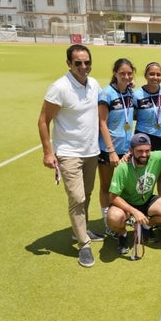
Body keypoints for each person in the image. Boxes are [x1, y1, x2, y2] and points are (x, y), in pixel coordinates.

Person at [37, 44, 104, 268]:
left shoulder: (93, 84)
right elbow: (43, 120)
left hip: (91, 150)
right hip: (68, 153)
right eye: (78, 63)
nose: (83, 67)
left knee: (87, 193)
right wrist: (48, 152)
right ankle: (84, 244)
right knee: (77, 198)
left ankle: (79, 231)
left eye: (87, 62)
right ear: (69, 63)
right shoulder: (60, 88)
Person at [107, 134, 161, 254]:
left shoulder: (156, 157)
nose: (144, 155)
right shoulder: (123, 166)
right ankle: (122, 235)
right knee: (113, 217)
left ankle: (146, 226)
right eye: (139, 151)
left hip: (146, 200)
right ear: (131, 150)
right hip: (127, 203)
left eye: (147, 150)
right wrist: (134, 212)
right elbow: (113, 197)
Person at [97, 58, 136, 238]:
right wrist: (111, 150)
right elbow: (102, 123)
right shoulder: (107, 94)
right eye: (122, 73)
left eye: (129, 73)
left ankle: (123, 215)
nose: (126, 76)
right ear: (115, 73)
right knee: (107, 186)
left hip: (126, 149)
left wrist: (130, 85)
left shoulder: (129, 92)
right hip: (109, 149)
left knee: (123, 186)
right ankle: (107, 221)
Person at [133, 62, 161, 151]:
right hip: (144, 136)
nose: (155, 77)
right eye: (151, 74)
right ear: (145, 75)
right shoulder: (137, 95)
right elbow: (133, 116)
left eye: (158, 75)